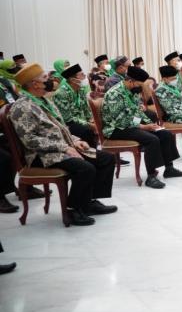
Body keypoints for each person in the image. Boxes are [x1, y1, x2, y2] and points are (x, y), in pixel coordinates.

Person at [9, 63, 117, 225]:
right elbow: (30, 140)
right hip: (42, 155)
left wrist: (75, 141)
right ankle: (73, 210)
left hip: (62, 148)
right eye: (45, 78)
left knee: (106, 158)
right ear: (34, 84)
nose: (51, 80)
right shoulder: (22, 107)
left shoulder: (43, 100)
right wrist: (65, 147)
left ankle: (89, 202)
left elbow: (62, 128)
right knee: (85, 168)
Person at [102, 66, 182, 189]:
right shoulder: (114, 94)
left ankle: (169, 169)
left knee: (165, 134)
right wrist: (143, 127)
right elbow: (120, 120)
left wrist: (151, 125)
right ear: (131, 80)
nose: (141, 87)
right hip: (115, 129)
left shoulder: (133, 91)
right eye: (139, 84)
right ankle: (151, 176)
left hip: (130, 125)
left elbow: (137, 113)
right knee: (151, 139)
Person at [53, 63, 98, 147]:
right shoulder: (61, 93)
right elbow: (68, 118)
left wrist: (92, 120)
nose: (85, 76)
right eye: (81, 75)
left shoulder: (80, 89)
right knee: (86, 131)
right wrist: (89, 124)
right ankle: (92, 156)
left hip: (80, 120)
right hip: (67, 124)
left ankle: (107, 155)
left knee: (100, 122)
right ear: (73, 80)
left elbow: (86, 109)